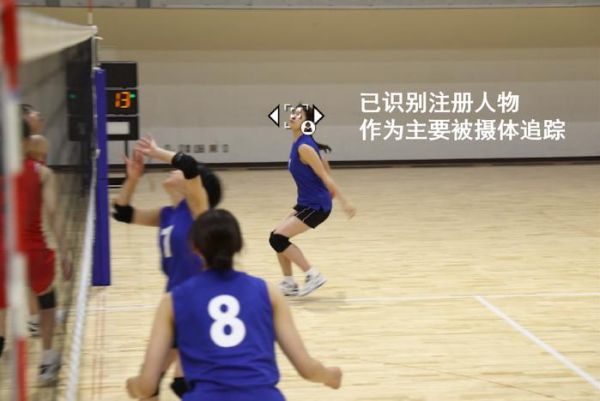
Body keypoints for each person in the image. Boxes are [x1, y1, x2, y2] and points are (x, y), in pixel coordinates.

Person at [126, 209, 342, 400]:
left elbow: (147, 385)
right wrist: (330, 375)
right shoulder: (268, 292)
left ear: (194, 247)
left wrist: (132, 386)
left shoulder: (173, 300)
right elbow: (307, 369)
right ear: (239, 245)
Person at [112, 136, 221, 399]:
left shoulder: (198, 211)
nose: (173, 170)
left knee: (183, 383)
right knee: (148, 386)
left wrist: (155, 151)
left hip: (199, 304)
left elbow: (189, 164)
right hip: (174, 305)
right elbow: (122, 212)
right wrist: (133, 178)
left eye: (177, 171)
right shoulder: (166, 215)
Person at [271, 104, 356, 297]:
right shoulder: (301, 143)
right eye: (293, 113)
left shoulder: (304, 147)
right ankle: (289, 283)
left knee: (278, 238)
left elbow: (325, 175)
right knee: (276, 236)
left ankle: (312, 275)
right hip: (306, 202)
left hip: (316, 206)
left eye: (299, 115)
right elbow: (325, 166)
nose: (294, 116)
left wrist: (344, 201)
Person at [19, 135, 71, 383]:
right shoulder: (42, 173)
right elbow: (53, 213)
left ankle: (31, 322)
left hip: (5, 250)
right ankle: (47, 358)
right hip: (32, 250)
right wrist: (65, 252)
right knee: (47, 298)